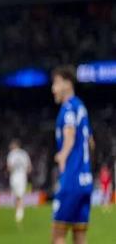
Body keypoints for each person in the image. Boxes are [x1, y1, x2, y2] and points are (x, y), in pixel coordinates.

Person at [51, 65, 94, 244]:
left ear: (67, 84)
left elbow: (70, 135)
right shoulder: (81, 107)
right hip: (86, 179)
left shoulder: (68, 108)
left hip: (71, 179)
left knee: (58, 235)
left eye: (56, 83)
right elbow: (91, 143)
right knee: (80, 236)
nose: (53, 89)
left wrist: (62, 156)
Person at [7, 139, 32, 223]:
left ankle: (19, 213)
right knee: (20, 195)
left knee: (16, 195)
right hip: (22, 176)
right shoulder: (24, 154)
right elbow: (29, 168)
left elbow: (9, 167)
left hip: (14, 177)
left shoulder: (11, 154)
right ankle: (20, 212)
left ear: (15, 145)